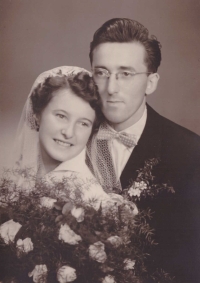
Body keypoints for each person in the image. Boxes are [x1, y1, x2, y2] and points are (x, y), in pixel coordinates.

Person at [87, 18, 200, 282]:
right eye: (101, 72)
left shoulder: (190, 153)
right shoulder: (72, 137)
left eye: (125, 74)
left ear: (151, 82)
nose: (111, 88)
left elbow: (192, 264)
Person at [12, 66, 109, 208]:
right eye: (61, 116)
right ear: (37, 114)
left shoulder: (89, 197)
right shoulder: (19, 173)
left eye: (83, 123)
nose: (69, 133)